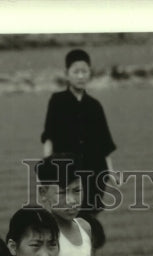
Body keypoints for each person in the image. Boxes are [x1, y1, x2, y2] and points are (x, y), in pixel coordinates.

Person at [41, 48, 116, 212]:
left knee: (89, 218)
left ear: (90, 73)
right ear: (67, 73)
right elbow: (49, 137)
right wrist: (47, 170)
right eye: (76, 71)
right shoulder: (57, 101)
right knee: (69, 215)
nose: (81, 76)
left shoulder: (94, 105)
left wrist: (110, 172)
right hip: (66, 172)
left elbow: (105, 142)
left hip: (94, 171)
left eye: (84, 71)